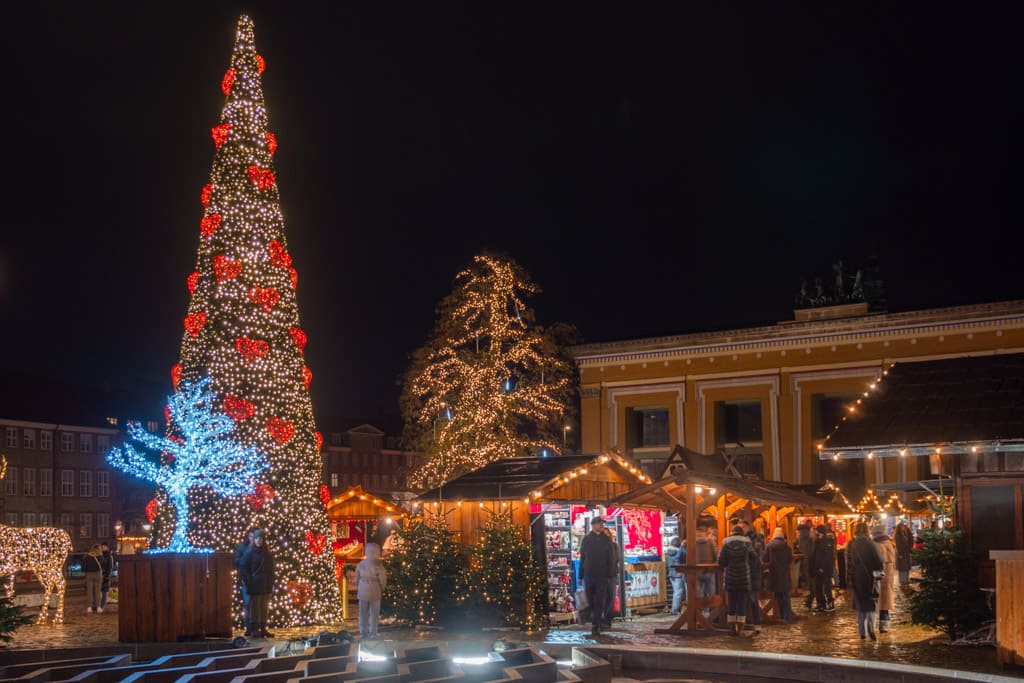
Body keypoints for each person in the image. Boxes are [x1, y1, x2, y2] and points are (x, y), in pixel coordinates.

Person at [846, 522, 884, 640]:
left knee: (860, 605)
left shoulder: (851, 544)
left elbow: (849, 564)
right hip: (870, 577)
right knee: (871, 603)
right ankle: (871, 628)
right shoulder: (871, 544)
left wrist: (850, 579)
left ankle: (862, 632)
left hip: (857, 577)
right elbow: (879, 561)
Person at [579, 516, 616, 636]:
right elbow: (582, 558)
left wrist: (610, 574)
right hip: (589, 574)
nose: (602, 526)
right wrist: (581, 575)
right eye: (600, 524)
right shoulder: (587, 539)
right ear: (593, 525)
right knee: (590, 599)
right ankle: (591, 618)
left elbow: (611, 558)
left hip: (602, 575)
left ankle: (596, 625)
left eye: (602, 524)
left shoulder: (606, 540)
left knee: (600, 600)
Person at [718, 525, 756, 635]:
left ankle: (731, 629)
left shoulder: (726, 545)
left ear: (731, 533)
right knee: (741, 604)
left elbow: (722, 562)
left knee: (731, 603)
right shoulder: (747, 544)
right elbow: (754, 558)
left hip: (731, 578)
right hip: (744, 578)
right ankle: (740, 629)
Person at [241, 529, 275, 639]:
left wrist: (271, 582)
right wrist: (248, 581)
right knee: (254, 607)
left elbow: (271, 569)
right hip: (254, 585)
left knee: (264, 607)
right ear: (254, 540)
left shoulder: (267, 553)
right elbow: (243, 567)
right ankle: (254, 628)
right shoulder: (250, 553)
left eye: (260, 538)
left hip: (265, 585)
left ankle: (263, 628)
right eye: (257, 538)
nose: (259, 541)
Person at [356, 542, 387, 639]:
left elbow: (357, 578)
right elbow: (383, 579)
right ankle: (373, 632)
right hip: (375, 589)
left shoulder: (361, 564)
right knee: (374, 613)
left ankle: (363, 632)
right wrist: (382, 587)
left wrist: (360, 585)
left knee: (363, 613)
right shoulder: (379, 565)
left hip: (363, 589)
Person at [871, 524, 897, 633]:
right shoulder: (890, 544)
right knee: (885, 604)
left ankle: (871, 626)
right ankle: (884, 625)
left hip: (877, 578)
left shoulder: (877, 545)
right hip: (888, 579)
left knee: (874, 603)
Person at [765, 527, 794, 623]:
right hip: (784, 574)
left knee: (778, 596)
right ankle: (787, 617)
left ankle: (781, 616)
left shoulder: (769, 546)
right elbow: (790, 559)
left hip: (774, 574)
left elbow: (765, 558)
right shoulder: (787, 547)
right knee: (786, 596)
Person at [741, 520, 765, 634]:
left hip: (752, 574)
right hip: (750, 574)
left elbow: (755, 558)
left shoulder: (753, 541)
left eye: (742, 527)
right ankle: (749, 623)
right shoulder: (753, 540)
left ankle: (754, 623)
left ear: (747, 527)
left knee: (752, 600)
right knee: (747, 600)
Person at [233, 528, 256, 635]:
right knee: (247, 604)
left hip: (257, 580)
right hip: (246, 580)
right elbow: (236, 561)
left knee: (258, 605)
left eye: (254, 537)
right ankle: (249, 628)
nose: (252, 539)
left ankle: (256, 628)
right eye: (251, 536)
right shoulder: (242, 548)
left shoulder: (262, 548)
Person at [809, 525, 836, 612]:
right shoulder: (817, 542)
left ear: (819, 532)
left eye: (816, 531)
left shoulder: (827, 541)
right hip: (817, 568)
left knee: (827, 587)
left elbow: (827, 556)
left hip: (825, 568)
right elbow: (815, 555)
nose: (815, 532)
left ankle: (830, 604)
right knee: (818, 587)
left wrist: (822, 567)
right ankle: (821, 604)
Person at [694, 525, 718, 605]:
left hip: (696, 571)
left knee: (698, 594)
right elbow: (715, 555)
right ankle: (712, 612)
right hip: (709, 570)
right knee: (711, 593)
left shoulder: (692, 543)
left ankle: (699, 612)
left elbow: (689, 556)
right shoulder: (711, 542)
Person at [665, 536, 685, 614]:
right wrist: (679, 571)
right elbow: (678, 562)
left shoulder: (668, 552)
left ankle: (676, 609)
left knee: (676, 592)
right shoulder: (679, 552)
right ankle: (675, 610)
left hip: (671, 573)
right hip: (678, 573)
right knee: (678, 592)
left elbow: (667, 564)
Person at [84, 544, 105, 613]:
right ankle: (98, 607)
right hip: (98, 574)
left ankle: (89, 607)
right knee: (98, 591)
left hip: (89, 574)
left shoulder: (87, 556)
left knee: (89, 591)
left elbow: (84, 565)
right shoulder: (100, 556)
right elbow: (103, 564)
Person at [797, 521, 814, 606]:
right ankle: (808, 585)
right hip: (805, 554)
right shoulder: (806, 532)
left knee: (805, 570)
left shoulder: (801, 531)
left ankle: (809, 599)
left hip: (803, 552)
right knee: (806, 571)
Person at [894, 521, 913, 586]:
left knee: (906, 566)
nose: (903, 527)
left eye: (903, 526)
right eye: (902, 526)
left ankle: (906, 579)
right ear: (899, 527)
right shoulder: (898, 535)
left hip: (906, 553)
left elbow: (909, 541)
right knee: (902, 567)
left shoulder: (904, 534)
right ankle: (902, 580)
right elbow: (898, 545)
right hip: (902, 553)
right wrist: (899, 554)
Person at [98, 542, 114, 612]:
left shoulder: (109, 556)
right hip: (99, 575)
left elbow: (110, 567)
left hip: (106, 575)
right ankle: (98, 605)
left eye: (103, 546)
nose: (102, 548)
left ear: (107, 547)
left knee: (104, 592)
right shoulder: (100, 555)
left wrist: (107, 576)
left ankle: (102, 606)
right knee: (99, 591)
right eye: (101, 547)